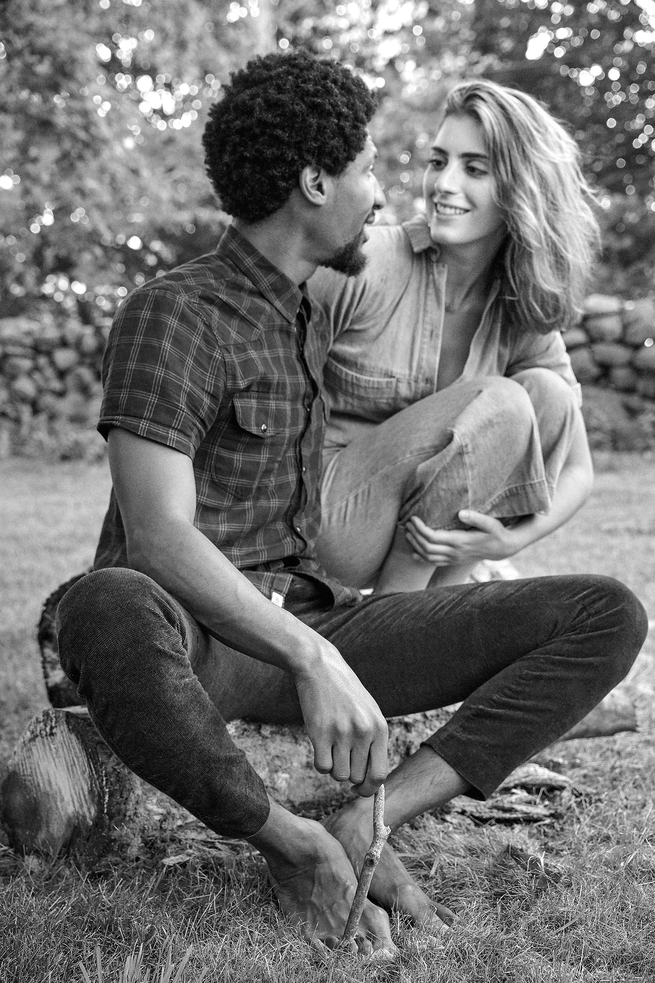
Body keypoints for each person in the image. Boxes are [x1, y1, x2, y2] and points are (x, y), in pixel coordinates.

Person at [55, 53, 647, 960]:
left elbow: (525, 418)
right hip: (211, 636)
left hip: (322, 616)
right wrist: (313, 655)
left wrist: (357, 624)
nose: (386, 196)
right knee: (103, 603)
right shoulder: (174, 312)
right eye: (373, 169)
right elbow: (155, 536)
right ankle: (294, 843)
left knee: (605, 611)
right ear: (312, 179)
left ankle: (372, 812)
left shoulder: (311, 305)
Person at [309, 79, 599, 593]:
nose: (443, 184)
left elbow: (578, 469)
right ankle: (398, 620)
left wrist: (508, 543)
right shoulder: (367, 263)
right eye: (439, 161)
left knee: (547, 397)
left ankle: (437, 607)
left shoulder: (520, 309)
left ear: (522, 188)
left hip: (431, 547)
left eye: (474, 168)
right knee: (506, 404)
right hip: (325, 520)